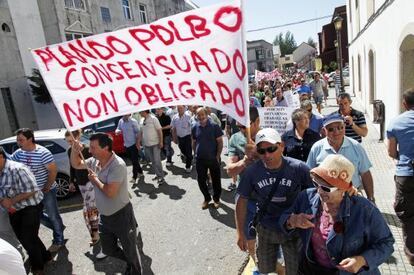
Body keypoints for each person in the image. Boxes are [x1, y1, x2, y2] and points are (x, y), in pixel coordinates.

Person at [280, 154, 394, 274]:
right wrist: (291, 221)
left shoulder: (364, 210)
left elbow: (386, 243)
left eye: (326, 188)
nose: (319, 190)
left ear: (343, 189)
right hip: (311, 269)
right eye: (316, 183)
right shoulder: (306, 197)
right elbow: (283, 219)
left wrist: (362, 260)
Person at [236, 128, 313, 275]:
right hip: (266, 228)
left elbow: (318, 191)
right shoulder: (252, 172)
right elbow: (241, 200)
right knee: (264, 269)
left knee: (295, 270)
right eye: (262, 151)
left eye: (271, 149)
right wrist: (240, 233)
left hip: (292, 230)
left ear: (282, 146)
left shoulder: (298, 168)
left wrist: (347, 189)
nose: (267, 155)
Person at [70, 133, 143, 275]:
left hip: (121, 215)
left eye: (93, 148)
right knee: (109, 249)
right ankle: (129, 262)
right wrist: (74, 150)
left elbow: (110, 192)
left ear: (106, 148)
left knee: (130, 250)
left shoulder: (118, 165)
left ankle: (135, 270)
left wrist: (95, 180)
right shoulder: (94, 161)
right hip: (104, 216)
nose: (89, 151)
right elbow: (76, 164)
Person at [11, 128, 65, 253]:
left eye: (21, 140)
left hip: (46, 191)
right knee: (38, 216)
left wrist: (47, 186)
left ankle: (59, 240)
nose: (18, 142)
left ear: (30, 139)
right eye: (17, 140)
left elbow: (53, 171)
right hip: (30, 193)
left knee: (53, 215)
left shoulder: (43, 152)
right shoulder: (18, 154)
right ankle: (59, 228)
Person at [0, 146, 51, 275]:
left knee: (28, 238)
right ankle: (45, 255)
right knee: (27, 237)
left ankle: (38, 268)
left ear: (1, 157)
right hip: (13, 210)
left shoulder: (17, 169)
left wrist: (11, 200)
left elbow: (32, 190)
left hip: (30, 207)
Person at [307, 114, 375, 203]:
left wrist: (371, 198)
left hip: (352, 196)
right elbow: (309, 174)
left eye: (340, 127)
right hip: (326, 198)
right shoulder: (317, 148)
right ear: (324, 131)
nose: (336, 132)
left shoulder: (356, 146)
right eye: (331, 129)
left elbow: (365, 173)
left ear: (344, 127)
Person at [386, 87, 414, 265]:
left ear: (404, 104)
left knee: (408, 215)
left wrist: (403, 156)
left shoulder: (395, 122)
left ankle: (412, 254)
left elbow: (391, 152)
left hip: (406, 175)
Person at [64, 130, 101, 248]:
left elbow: (97, 163)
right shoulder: (70, 151)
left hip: (91, 182)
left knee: (90, 211)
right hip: (81, 184)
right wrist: (71, 181)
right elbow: (72, 167)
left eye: (71, 140)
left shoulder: (88, 149)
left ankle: (96, 236)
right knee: (90, 211)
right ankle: (97, 235)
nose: (69, 143)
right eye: (67, 141)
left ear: (77, 137)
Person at [192, 107, 223, 209]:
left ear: (206, 114)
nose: (201, 117)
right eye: (198, 115)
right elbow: (194, 141)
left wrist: (218, 156)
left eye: (202, 115)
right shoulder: (194, 126)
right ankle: (207, 198)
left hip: (213, 158)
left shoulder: (214, 126)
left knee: (216, 180)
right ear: (196, 116)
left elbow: (220, 142)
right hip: (200, 159)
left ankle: (216, 199)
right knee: (201, 180)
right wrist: (194, 153)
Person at [138, 110, 165, 185]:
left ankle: (161, 177)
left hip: (155, 144)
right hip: (147, 145)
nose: (139, 113)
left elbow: (159, 131)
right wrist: (138, 142)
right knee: (153, 161)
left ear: (145, 112)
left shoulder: (154, 119)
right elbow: (141, 132)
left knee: (157, 161)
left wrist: (161, 142)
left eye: (140, 112)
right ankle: (158, 175)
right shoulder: (141, 120)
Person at [115, 114, 144, 183]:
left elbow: (138, 132)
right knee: (133, 160)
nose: (123, 116)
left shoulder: (133, 121)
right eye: (123, 114)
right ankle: (140, 171)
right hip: (126, 145)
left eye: (125, 115)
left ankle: (134, 177)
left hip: (134, 144)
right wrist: (117, 131)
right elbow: (118, 128)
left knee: (134, 161)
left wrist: (138, 143)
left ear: (129, 114)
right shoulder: (121, 121)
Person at [171, 105, 193, 173]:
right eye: (178, 108)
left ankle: (188, 166)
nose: (179, 109)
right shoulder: (175, 117)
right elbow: (173, 128)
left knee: (188, 152)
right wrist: (174, 138)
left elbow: (192, 127)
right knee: (183, 151)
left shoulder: (188, 116)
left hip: (187, 137)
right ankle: (190, 158)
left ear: (184, 108)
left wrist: (193, 138)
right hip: (179, 137)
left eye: (181, 108)